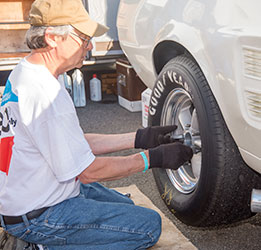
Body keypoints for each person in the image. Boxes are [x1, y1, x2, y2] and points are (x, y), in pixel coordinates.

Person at [0, 0, 193, 249]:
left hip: (35, 195)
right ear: (52, 37)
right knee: (147, 227)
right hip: (38, 214)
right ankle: (39, 245)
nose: (89, 45)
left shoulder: (30, 72)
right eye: (83, 37)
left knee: (128, 207)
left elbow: (75, 143)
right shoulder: (43, 94)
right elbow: (89, 172)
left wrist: (139, 138)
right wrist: (151, 158)